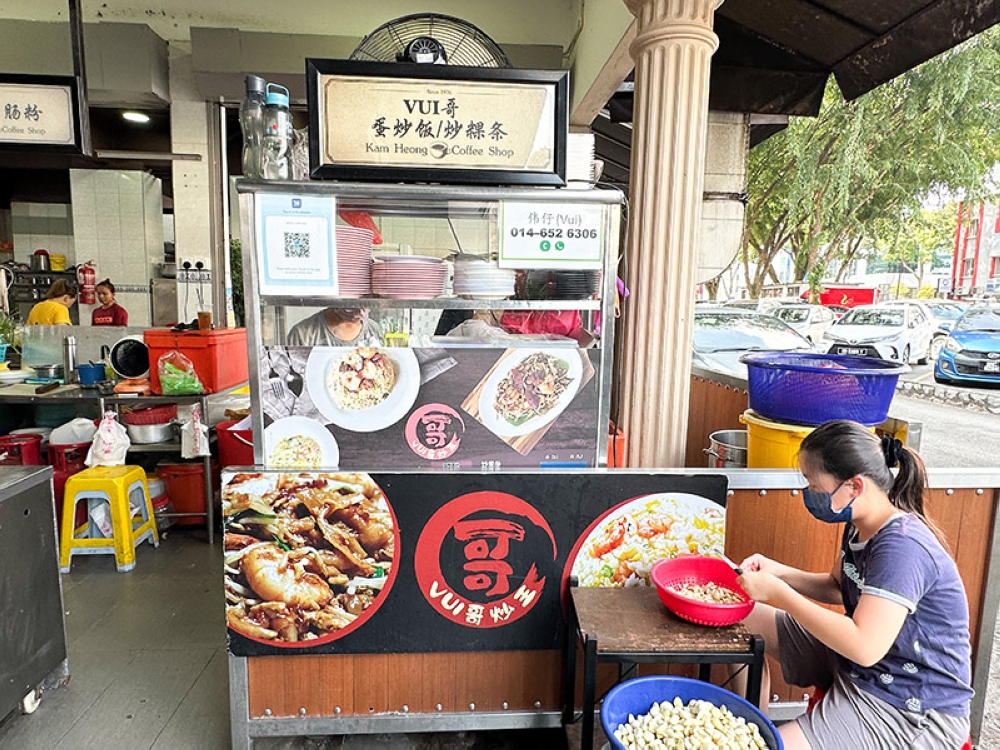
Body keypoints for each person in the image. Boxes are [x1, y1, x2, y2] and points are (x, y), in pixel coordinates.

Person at [737, 420, 972, 750]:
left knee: (770, 747)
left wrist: (781, 594)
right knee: (740, 616)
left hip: (908, 702)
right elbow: (837, 585)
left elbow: (865, 644)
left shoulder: (902, 547)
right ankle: (749, 720)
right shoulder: (859, 524)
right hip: (865, 667)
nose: (809, 493)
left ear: (855, 486)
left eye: (814, 485)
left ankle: (757, 739)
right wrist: (779, 573)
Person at [286, 307, 382, 347]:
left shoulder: (376, 332)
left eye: (365, 306)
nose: (361, 313)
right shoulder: (303, 335)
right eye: (351, 306)